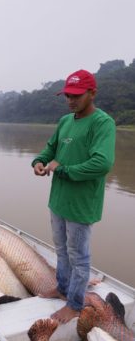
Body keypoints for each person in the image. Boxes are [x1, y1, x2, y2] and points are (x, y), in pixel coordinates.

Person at [32, 69, 115, 324]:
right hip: (58, 200)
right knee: (61, 250)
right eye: (68, 95)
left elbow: (102, 163)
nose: (71, 100)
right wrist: (39, 160)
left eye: (77, 95)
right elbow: (51, 148)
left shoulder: (103, 123)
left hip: (80, 205)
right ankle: (62, 287)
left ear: (93, 93)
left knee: (79, 257)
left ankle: (75, 304)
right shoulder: (65, 121)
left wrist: (64, 170)